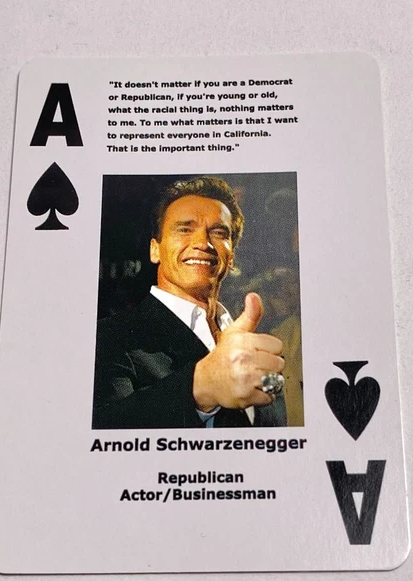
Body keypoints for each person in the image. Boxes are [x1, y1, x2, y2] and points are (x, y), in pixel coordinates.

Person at [92, 176, 287, 429]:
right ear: (155, 250)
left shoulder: (256, 346)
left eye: (218, 232)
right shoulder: (109, 337)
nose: (202, 243)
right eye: (184, 229)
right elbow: (102, 433)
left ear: (231, 256)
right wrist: (199, 387)